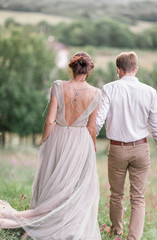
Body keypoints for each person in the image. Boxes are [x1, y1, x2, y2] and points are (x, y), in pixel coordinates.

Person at [0, 52, 102, 240]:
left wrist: (44, 139)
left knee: (54, 178)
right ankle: (63, 217)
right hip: (81, 141)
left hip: (58, 136)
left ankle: (46, 215)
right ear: (89, 70)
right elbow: (91, 126)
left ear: (72, 68)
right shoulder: (96, 93)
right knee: (72, 185)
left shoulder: (58, 86)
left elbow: (50, 120)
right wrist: (93, 146)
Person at [96, 51, 157, 240]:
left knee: (116, 194)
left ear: (118, 70)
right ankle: (134, 238)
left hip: (117, 149)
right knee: (138, 197)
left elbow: (98, 121)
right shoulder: (150, 92)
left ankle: (116, 231)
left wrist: (86, 139)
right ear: (136, 69)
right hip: (141, 149)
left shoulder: (109, 88)